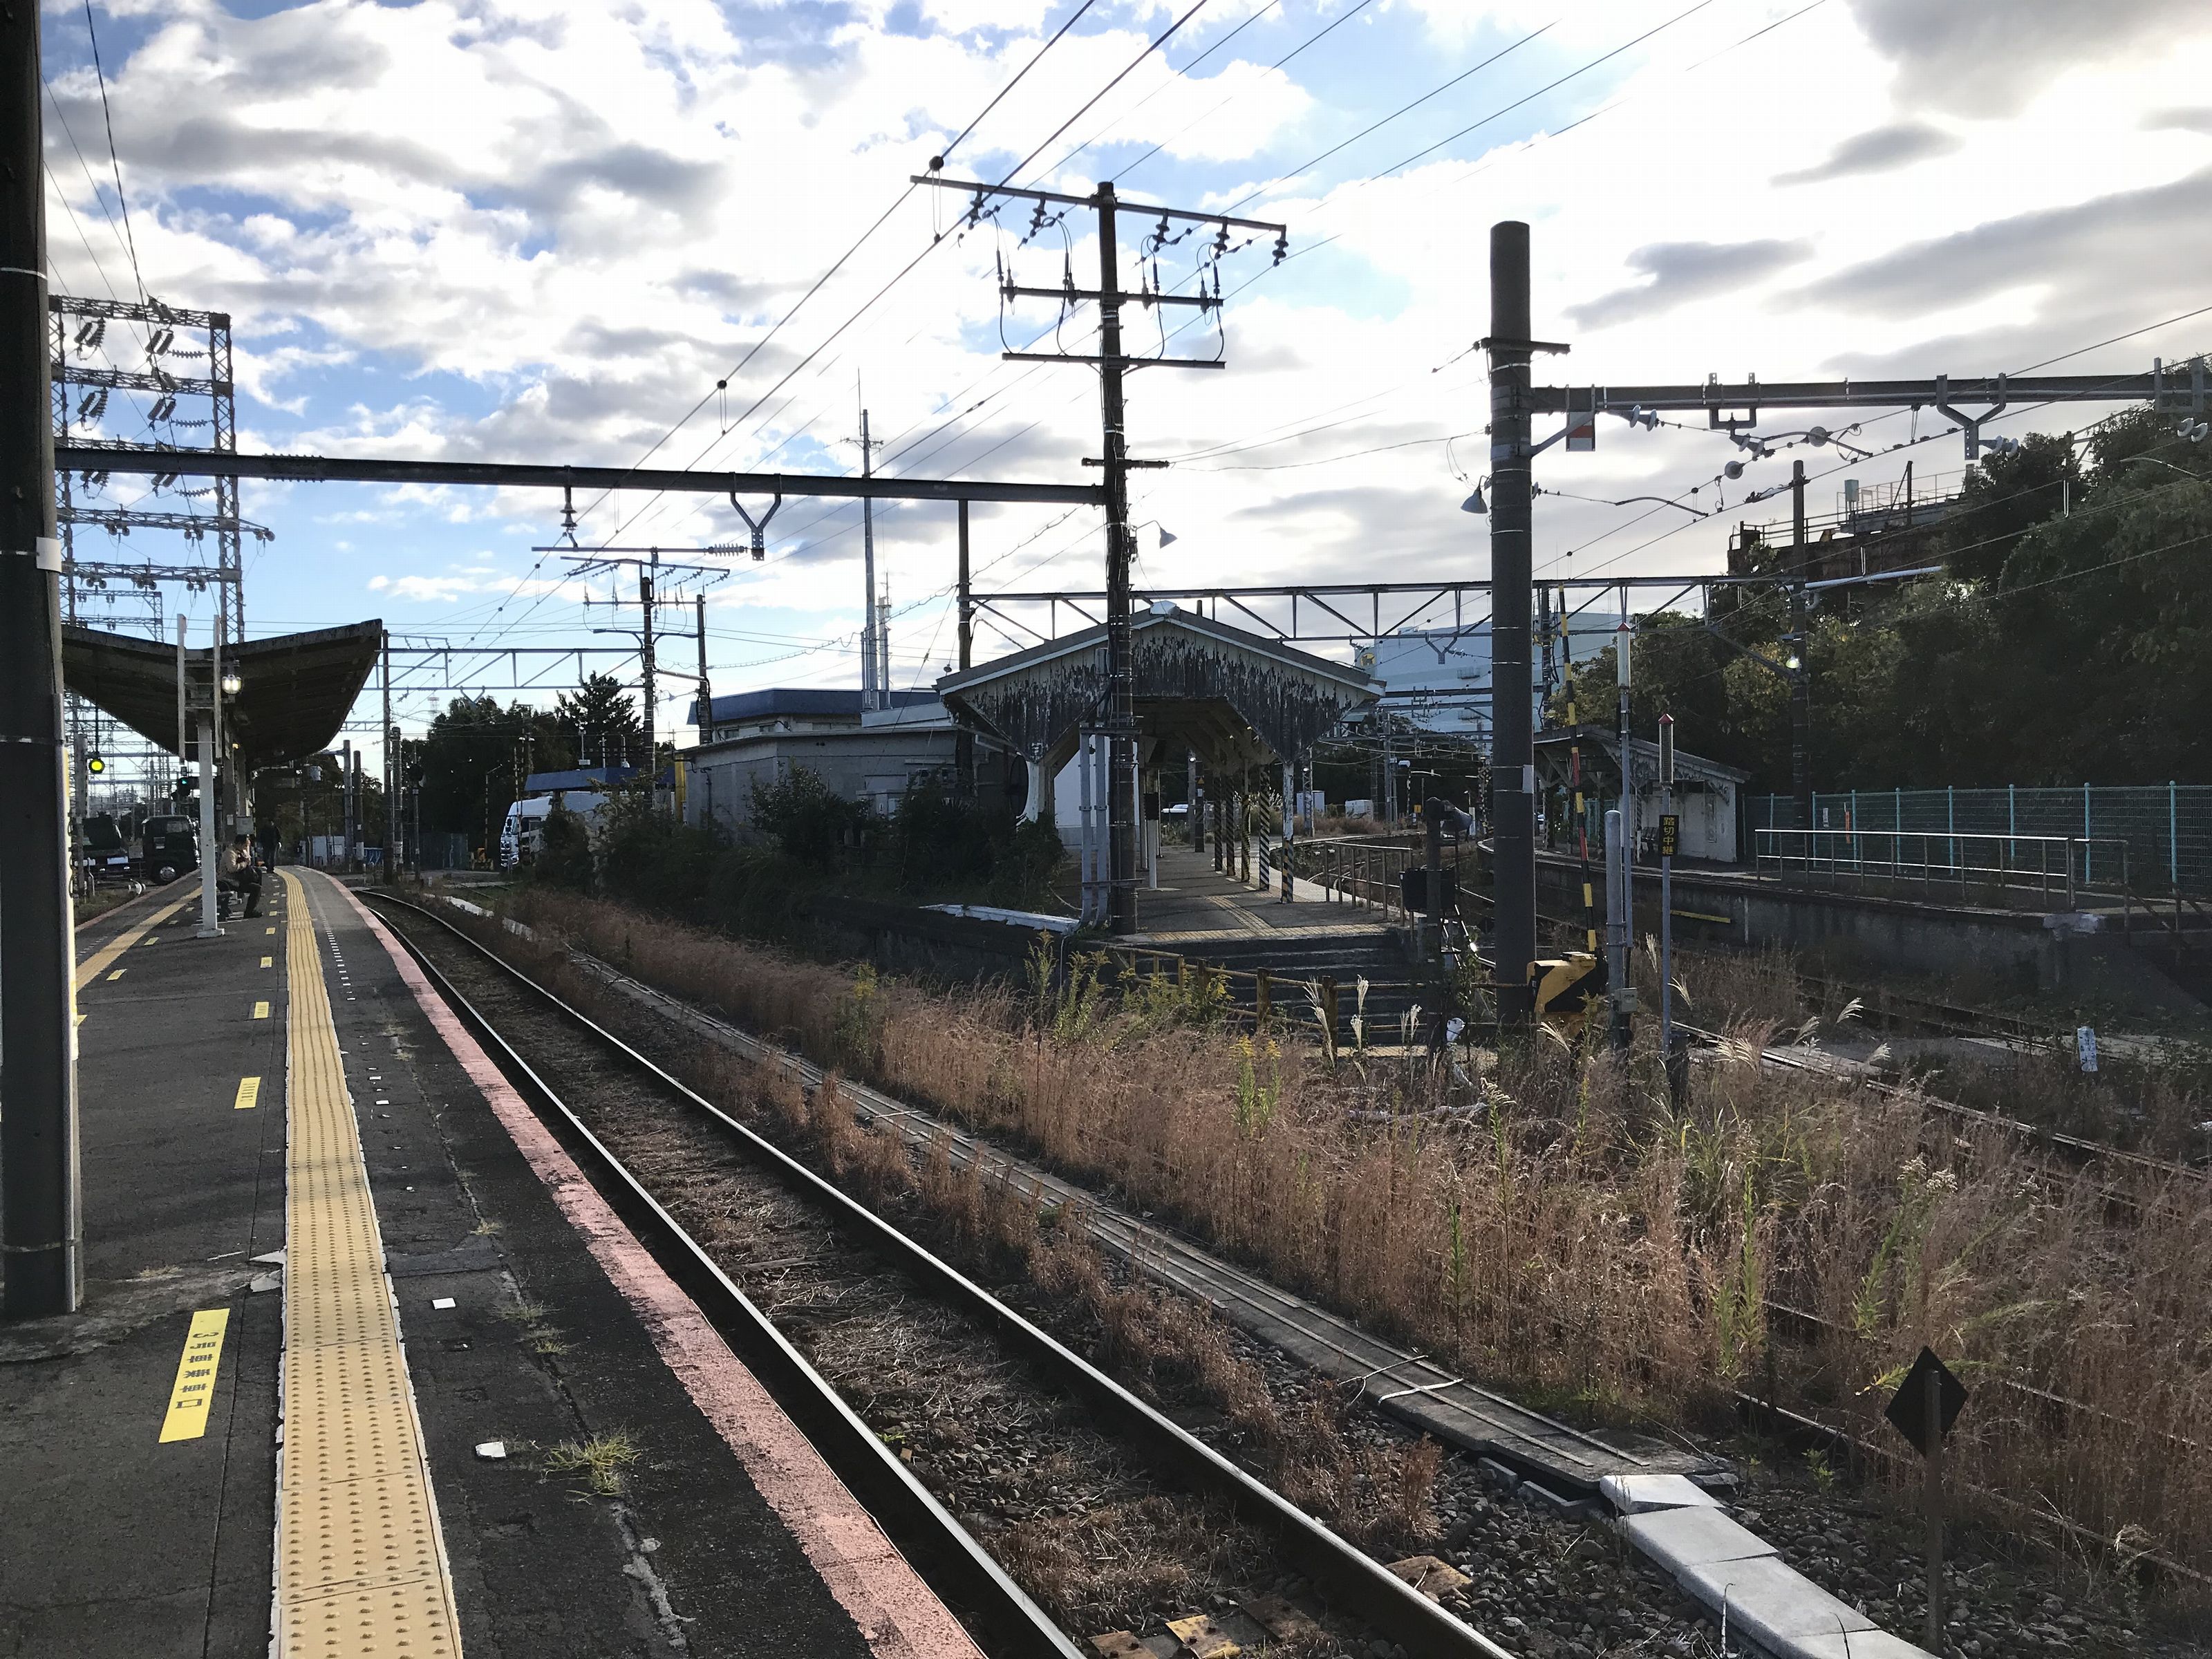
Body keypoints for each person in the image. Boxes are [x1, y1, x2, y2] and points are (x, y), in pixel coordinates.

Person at [218, 834, 263, 919]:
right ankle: (249, 912)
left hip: (239, 879)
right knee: (256, 889)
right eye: (245, 845)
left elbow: (248, 862)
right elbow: (231, 868)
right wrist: (244, 864)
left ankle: (251, 908)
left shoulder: (241, 851)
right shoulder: (230, 853)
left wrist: (247, 859)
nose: (246, 848)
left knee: (258, 873)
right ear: (239, 844)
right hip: (229, 881)